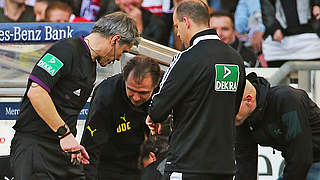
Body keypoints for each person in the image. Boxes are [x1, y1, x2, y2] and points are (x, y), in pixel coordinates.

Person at [10, 11, 140, 180]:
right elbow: (36, 92)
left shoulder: (91, 64)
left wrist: (72, 143)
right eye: (122, 51)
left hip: (62, 149)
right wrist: (64, 134)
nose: (118, 58)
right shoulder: (64, 50)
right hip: (35, 147)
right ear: (114, 40)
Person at [145, 1, 246, 179]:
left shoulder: (186, 58)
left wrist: (154, 116)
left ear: (187, 22)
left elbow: (157, 109)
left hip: (188, 165)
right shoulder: (236, 58)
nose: (177, 33)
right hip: (225, 168)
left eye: (177, 26)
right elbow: (234, 109)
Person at [80, 56, 162, 180]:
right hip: (109, 162)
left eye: (143, 93)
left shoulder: (165, 91)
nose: (136, 97)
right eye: (131, 90)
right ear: (125, 80)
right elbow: (90, 148)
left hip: (146, 161)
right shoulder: (106, 95)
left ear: (155, 85)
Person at [235, 72, 320, 180]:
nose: (227, 115)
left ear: (249, 100)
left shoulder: (287, 100)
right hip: (301, 161)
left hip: (310, 160)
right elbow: (245, 168)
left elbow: (301, 158)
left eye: (231, 108)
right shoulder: (242, 118)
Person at [260, 0, 320, 67]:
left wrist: (317, 4)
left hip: (311, 42)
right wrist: (274, 28)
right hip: (279, 46)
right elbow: (266, 6)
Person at [97, 0, 170, 46]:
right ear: (117, 1)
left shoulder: (157, 24)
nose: (132, 1)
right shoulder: (107, 14)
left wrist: (138, 29)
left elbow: (155, 53)